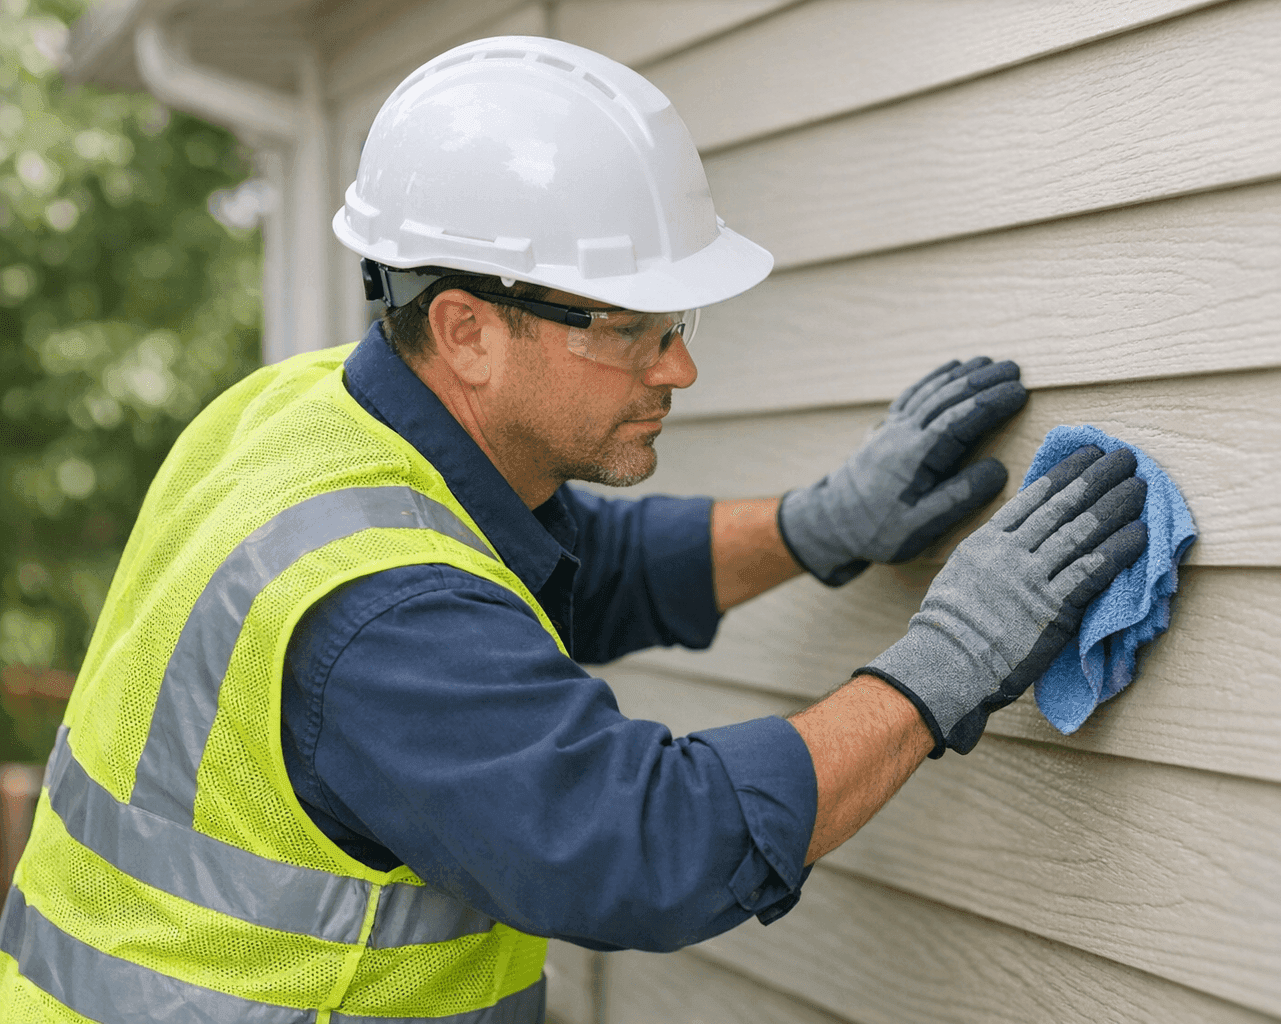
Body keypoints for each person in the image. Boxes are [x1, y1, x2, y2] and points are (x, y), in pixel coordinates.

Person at [0, 36, 1148, 1024]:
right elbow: (647, 848)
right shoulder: (383, 619)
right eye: (637, 330)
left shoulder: (303, 412)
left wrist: (814, 526)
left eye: (676, 323)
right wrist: (946, 663)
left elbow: (569, 565)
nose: (682, 366)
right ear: (466, 330)